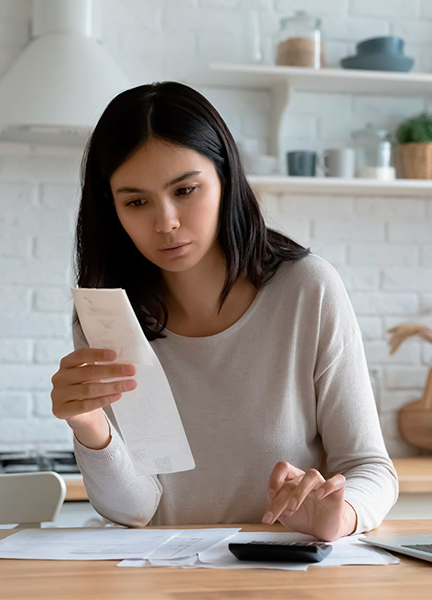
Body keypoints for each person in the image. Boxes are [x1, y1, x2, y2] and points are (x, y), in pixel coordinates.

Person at [49, 81, 398, 542]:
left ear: (226, 178)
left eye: (186, 190)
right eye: (136, 202)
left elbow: (369, 467)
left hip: (288, 581)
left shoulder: (306, 291)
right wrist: (90, 427)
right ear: (111, 210)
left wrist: (341, 514)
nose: (166, 221)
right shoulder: (109, 319)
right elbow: (137, 511)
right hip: (167, 580)